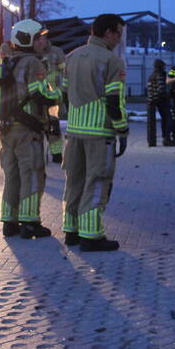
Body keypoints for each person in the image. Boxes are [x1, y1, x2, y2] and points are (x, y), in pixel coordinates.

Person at [62, 14, 129, 251]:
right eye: (118, 33)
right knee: (97, 181)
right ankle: (91, 236)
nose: (119, 39)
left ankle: (72, 231)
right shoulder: (112, 61)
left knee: (75, 180)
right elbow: (114, 100)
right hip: (99, 132)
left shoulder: (71, 56)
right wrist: (121, 128)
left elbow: (63, 93)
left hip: (74, 131)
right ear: (108, 32)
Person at [0, 19, 61, 239]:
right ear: (28, 40)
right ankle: (30, 222)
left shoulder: (8, 62)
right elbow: (41, 94)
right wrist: (59, 93)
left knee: (12, 175)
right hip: (27, 129)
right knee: (33, 174)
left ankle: (9, 221)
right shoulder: (34, 64)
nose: (44, 41)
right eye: (40, 37)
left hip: (7, 129)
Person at [40, 37, 68, 163]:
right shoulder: (34, 54)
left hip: (53, 97)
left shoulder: (57, 52)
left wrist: (61, 90)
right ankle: (38, 155)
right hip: (38, 97)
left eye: (43, 39)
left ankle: (56, 154)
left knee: (54, 127)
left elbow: (65, 72)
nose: (41, 42)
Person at [145, 59, 171, 146]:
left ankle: (151, 141)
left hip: (150, 101)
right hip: (160, 100)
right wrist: (168, 97)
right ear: (161, 67)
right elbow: (161, 90)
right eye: (163, 66)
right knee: (168, 118)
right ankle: (166, 139)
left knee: (151, 123)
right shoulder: (160, 75)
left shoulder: (151, 75)